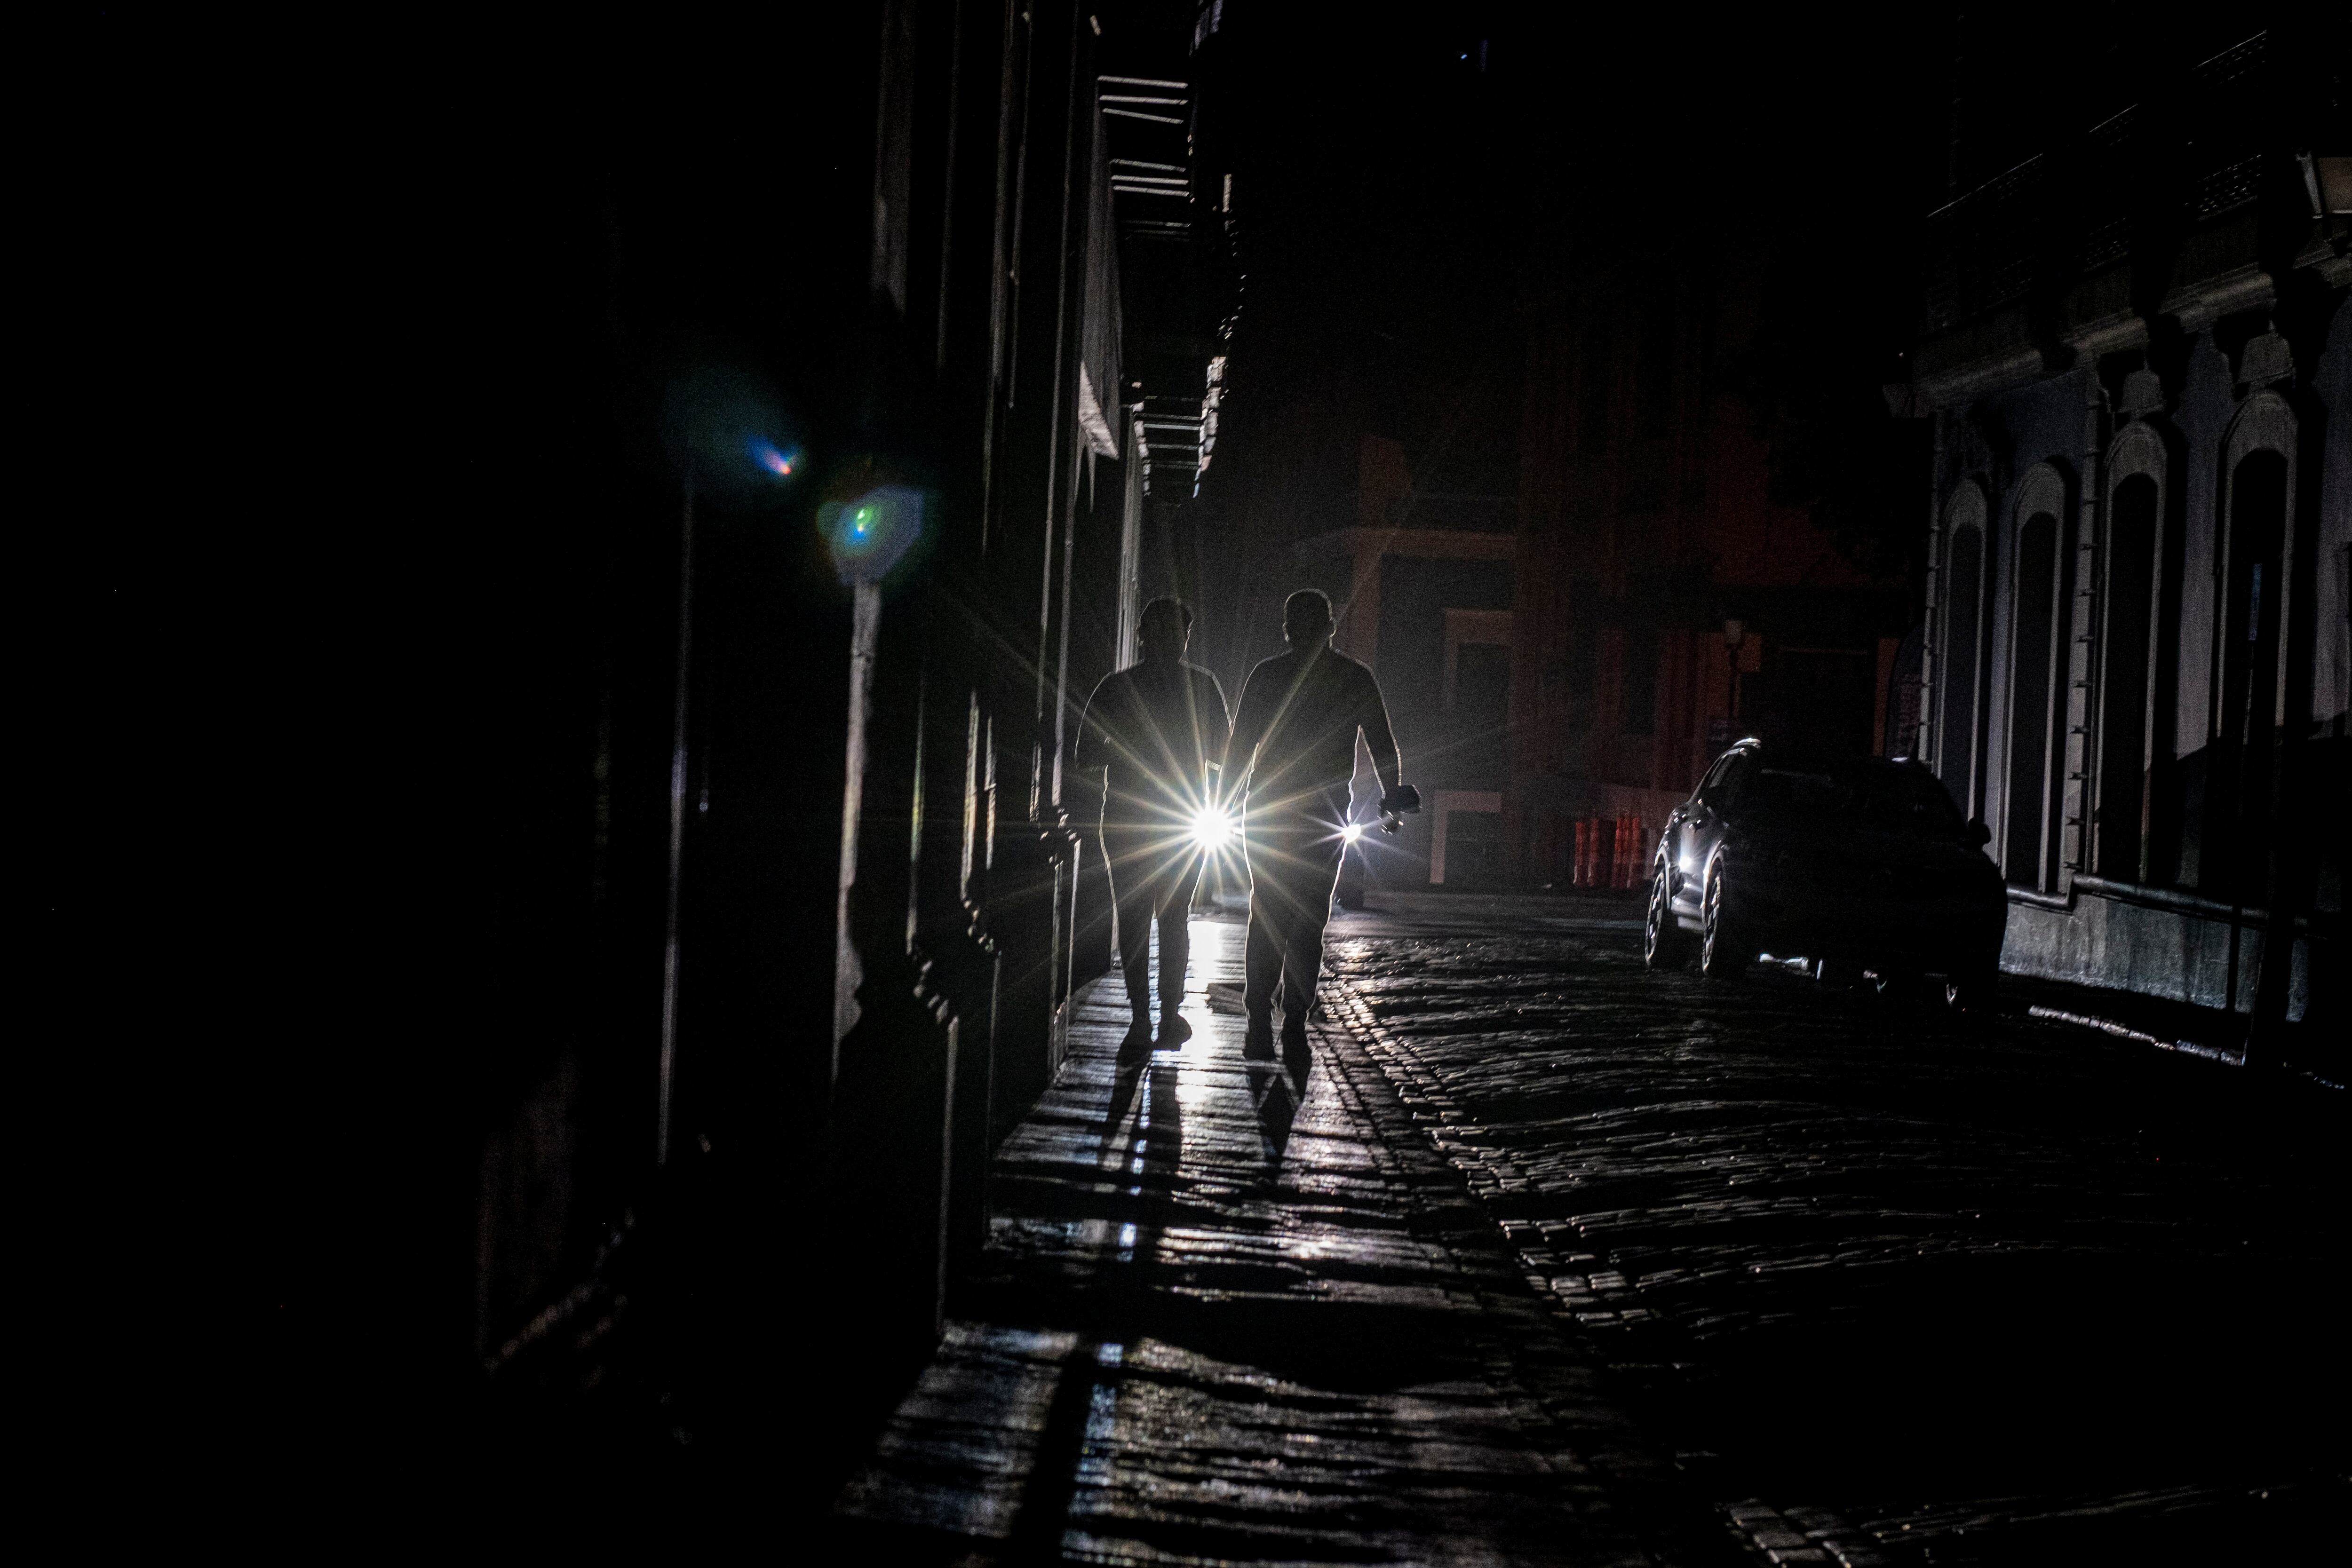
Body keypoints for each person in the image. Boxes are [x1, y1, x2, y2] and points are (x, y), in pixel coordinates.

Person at [1224, 589, 1407, 1057]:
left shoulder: (1266, 676)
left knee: (1266, 913)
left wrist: (1222, 801)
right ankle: (1293, 1020)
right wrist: (1391, 800)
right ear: (1330, 627)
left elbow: (1240, 750)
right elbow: (1382, 745)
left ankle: (1261, 1019)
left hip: (1267, 812)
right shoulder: (1353, 678)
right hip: (1323, 816)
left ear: (1289, 629)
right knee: (1307, 919)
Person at [1073, 597, 1232, 1045]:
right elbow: (1225, 754)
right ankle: (1168, 1015)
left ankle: (1142, 1016)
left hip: (1127, 818)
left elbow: (1085, 755)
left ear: (1140, 635)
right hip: (1184, 818)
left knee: (1135, 918)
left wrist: (1126, 749)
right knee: (1174, 918)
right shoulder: (1203, 686)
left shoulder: (1115, 687)